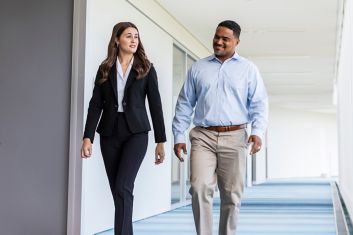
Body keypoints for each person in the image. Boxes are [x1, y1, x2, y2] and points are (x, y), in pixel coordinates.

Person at [172, 20, 268, 235]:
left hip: (235, 137)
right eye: (217, 36)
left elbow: (259, 103)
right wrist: (179, 135)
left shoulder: (248, 69)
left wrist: (257, 132)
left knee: (232, 194)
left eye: (225, 39)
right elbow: (185, 103)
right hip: (202, 136)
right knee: (198, 188)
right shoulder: (198, 67)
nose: (218, 42)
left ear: (237, 41)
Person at [80, 22, 166, 235]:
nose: (134, 40)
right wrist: (87, 137)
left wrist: (160, 141)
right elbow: (95, 104)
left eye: (136, 36)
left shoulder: (146, 68)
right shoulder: (105, 68)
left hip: (136, 134)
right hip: (109, 133)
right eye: (129, 36)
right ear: (117, 40)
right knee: (118, 191)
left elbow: (155, 105)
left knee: (123, 187)